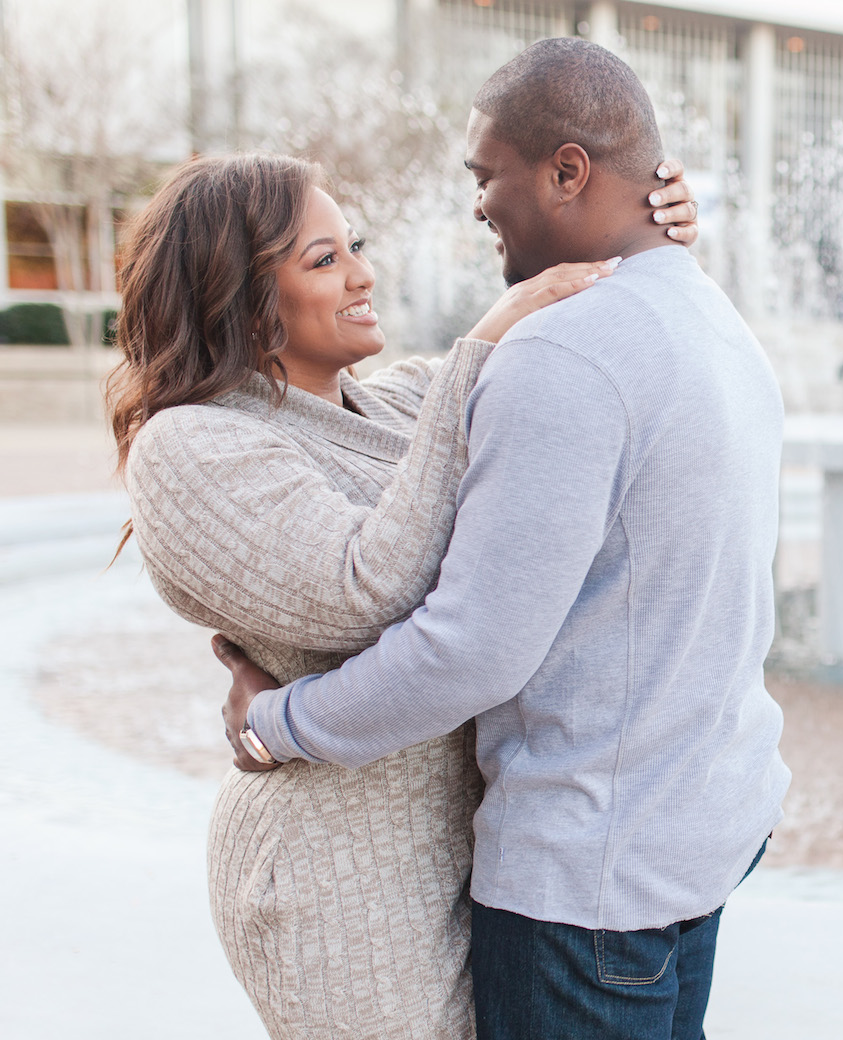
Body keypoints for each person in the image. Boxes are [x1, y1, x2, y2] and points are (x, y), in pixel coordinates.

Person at [216, 38, 791, 1040]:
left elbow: (472, 645)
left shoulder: (564, 352)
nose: (478, 204)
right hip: (700, 830)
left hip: (588, 885)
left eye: (488, 176)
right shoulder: (711, 316)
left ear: (567, 170)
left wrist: (280, 723)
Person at [111, 150, 699, 1039]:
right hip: (338, 884)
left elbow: (552, 335)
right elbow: (366, 591)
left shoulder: (386, 406)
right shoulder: (189, 448)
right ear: (233, 292)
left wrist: (652, 226)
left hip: (457, 854)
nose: (363, 272)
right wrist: (484, 340)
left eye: (355, 244)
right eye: (324, 259)